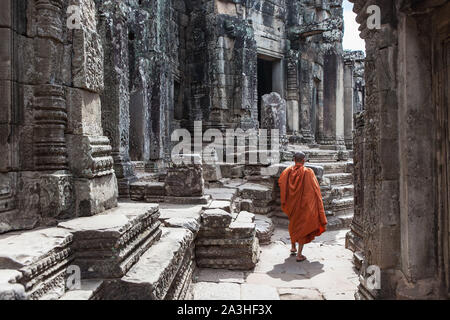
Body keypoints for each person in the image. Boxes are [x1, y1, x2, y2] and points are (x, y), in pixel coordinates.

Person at [278, 152, 327, 261]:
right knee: (302, 228)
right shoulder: (308, 172)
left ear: (294, 159)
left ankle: (293, 247)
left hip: (292, 204)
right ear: (303, 160)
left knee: (293, 223)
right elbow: (314, 189)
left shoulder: (287, 172)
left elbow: (281, 183)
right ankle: (299, 255)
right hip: (304, 205)